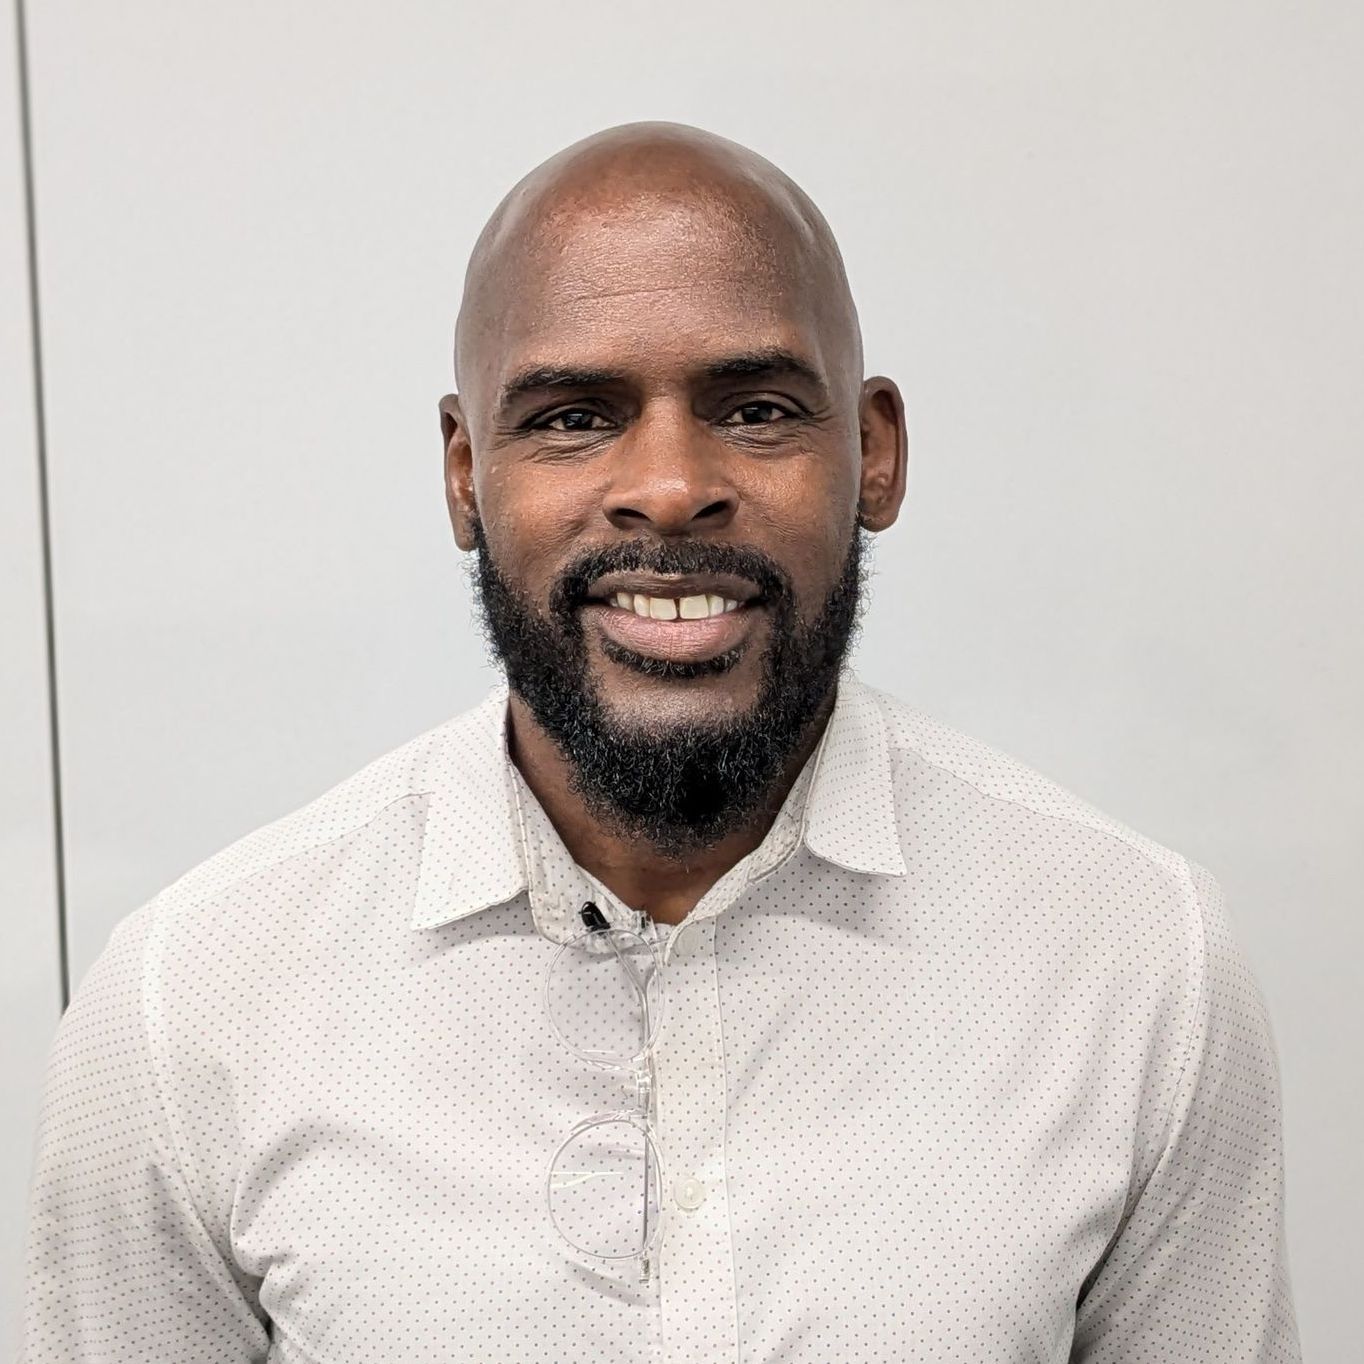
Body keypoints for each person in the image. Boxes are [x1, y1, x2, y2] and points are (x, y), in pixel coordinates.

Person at [18, 121, 1301, 1362]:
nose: (671, 482)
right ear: (466, 475)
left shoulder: (1136, 966)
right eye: (575, 416)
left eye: (752, 407)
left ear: (876, 454)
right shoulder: (191, 1004)